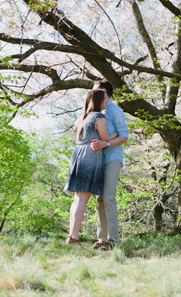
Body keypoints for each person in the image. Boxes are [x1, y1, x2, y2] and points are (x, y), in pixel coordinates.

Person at [64, 89, 112, 246]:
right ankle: (74, 238)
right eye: (104, 99)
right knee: (83, 199)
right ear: (98, 101)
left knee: (77, 198)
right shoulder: (99, 117)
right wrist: (118, 135)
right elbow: (104, 139)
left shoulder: (82, 118)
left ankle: (72, 235)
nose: (107, 101)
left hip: (78, 156)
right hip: (90, 158)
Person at [89, 80, 128, 250]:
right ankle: (102, 239)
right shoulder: (96, 110)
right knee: (100, 199)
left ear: (104, 91)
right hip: (98, 158)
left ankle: (113, 241)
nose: (92, 93)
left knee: (109, 197)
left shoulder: (115, 110)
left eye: (95, 90)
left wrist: (106, 144)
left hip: (112, 157)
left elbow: (124, 136)